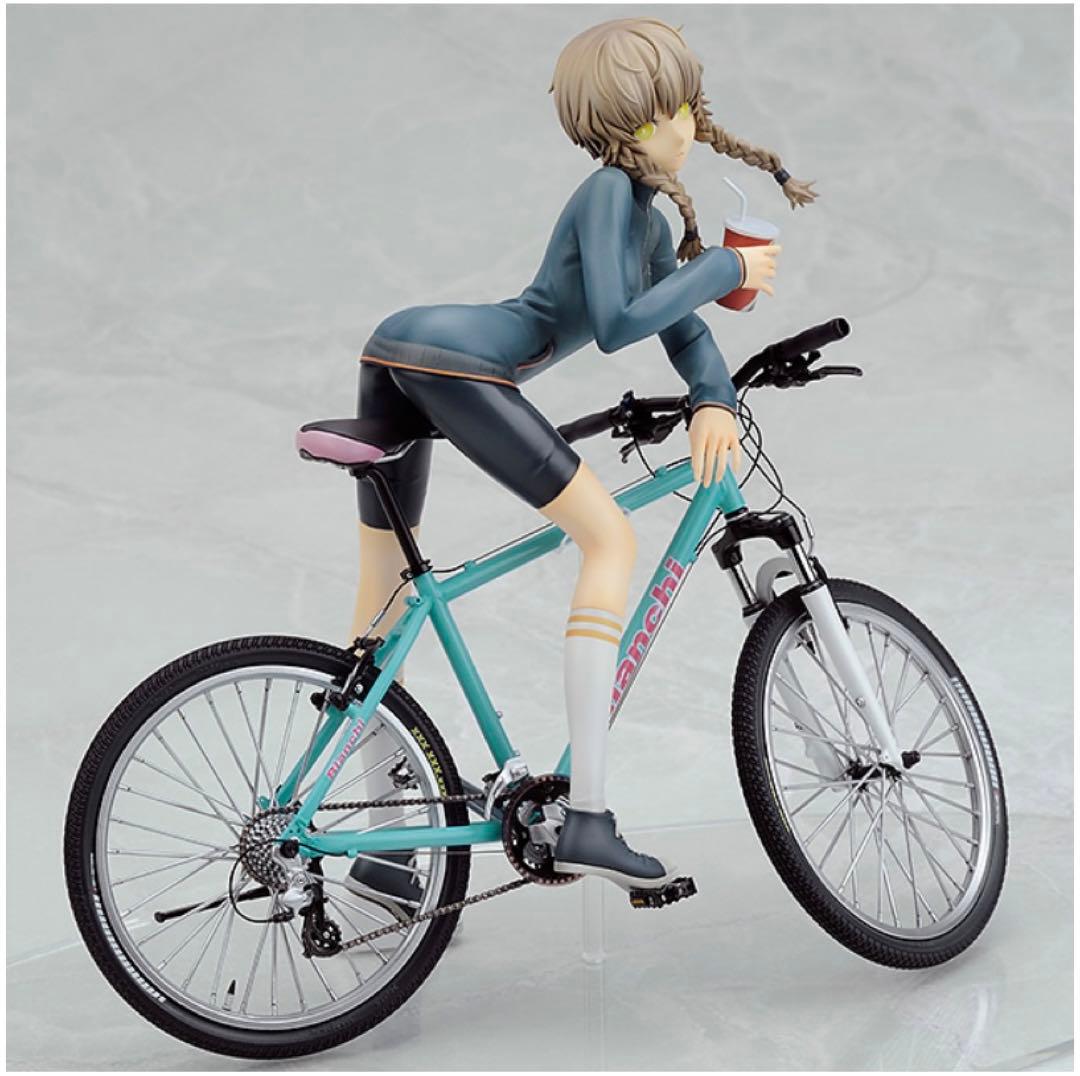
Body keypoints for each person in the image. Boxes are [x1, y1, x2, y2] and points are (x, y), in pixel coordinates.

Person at [344, 15, 817, 911]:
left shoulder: (644, 221)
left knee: (386, 596)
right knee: (608, 541)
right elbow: (615, 325)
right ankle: (589, 816)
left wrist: (713, 394)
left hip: (404, 347)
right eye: (677, 108)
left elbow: (681, 330)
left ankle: (383, 849)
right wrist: (725, 267)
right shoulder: (607, 193)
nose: (691, 124)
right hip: (456, 361)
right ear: (638, 122)